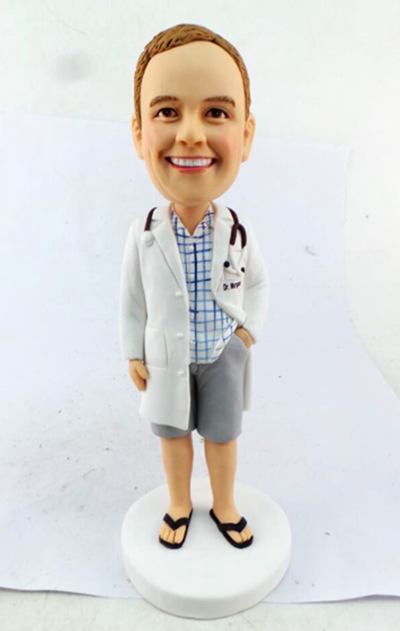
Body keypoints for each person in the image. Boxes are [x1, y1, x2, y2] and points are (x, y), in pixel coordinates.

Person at [119, 23, 269, 550]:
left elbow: (258, 285)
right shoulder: (143, 236)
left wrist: (244, 337)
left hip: (223, 354)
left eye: (216, 113)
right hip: (168, 357)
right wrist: (133, 352)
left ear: (245, 135)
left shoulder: (237, 232)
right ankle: (180, 504)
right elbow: (131, 301)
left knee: (223, 435)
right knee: (174, 434)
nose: (190, 134)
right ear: (138, 133)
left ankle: (224, 504)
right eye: (166, 111)